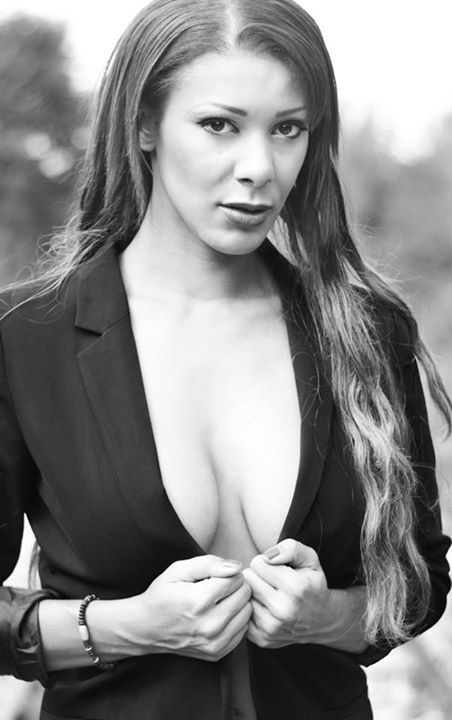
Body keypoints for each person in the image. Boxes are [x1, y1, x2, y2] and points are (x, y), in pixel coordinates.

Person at [0, 0, 451, 718]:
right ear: (144, 124)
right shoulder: (25, 338)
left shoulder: (367, 331)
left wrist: (326, 616)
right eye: (219, 124)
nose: (259, 168)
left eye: (287, 129)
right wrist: (128, 627)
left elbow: (418, 582)